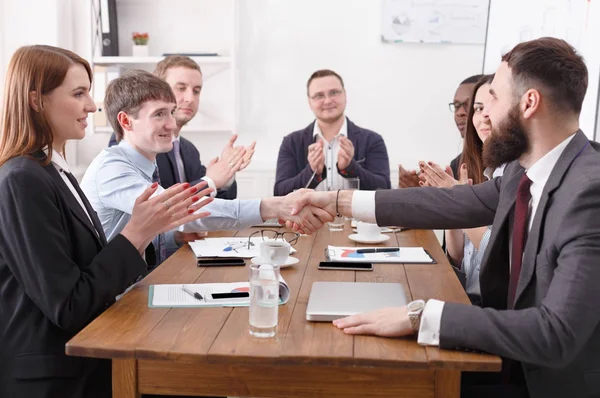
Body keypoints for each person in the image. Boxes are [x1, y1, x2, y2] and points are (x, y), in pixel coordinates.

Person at [291, 38, 600, 397]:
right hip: (511, 360)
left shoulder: (589, 192)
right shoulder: (522, 172)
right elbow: (448, 203)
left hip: (550, 384)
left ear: (529, 103)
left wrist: (420, 316)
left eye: (493, 100)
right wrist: (338, 201)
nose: (481, 116)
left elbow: (555, 334)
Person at [0, 45, 213, 398]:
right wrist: (136, 233)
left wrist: (144, 235)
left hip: (88, 355)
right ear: (36, 100)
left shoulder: (54, 171)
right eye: (79, 93)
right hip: (54, 376)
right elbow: (68, 305)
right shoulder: (22, 179)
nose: (92, 106)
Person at [82, 69, 330, 266]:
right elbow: (180, 211)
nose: (170, 124)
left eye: (171, 113)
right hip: (111, 304)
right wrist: (275, 205)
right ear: (126, 121)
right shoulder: (113, 169)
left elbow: (148, 229)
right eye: (159, 115)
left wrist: (174, 237)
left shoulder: (144, 162)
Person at [108, 55, 254, 200]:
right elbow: (152, 206)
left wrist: (226, 171)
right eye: (181, 88)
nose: (190, 98)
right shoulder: (133, 140)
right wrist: (209, 181)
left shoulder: (189, 150)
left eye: (196, 91)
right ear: (158, 90)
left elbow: (215, 206)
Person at [419, 74, 503, 305]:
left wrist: (459, 204)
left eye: (492, 106)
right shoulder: (476, 168)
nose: (483, 115)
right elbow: (457, 259)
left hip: (495, 311)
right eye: (478, 108)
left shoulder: (517, 175)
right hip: (466, 298)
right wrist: (452, 211)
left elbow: (499, 260)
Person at [274, 69, 391, 196]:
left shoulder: (372, 140)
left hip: (355, 216)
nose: (328, 101)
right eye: (319, 95)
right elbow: (280, 192)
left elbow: (384, 190)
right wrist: (312, 172)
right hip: (308, 216)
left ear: (345, 95)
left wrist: (350, 167)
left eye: (334, 93)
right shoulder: (291, 142)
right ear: (309, 101)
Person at [398, 74, 484, 188]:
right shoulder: (457, 164)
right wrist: (420, 192)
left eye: (468, 105)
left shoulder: (507, 164)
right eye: (457, 106)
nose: (460, 112)